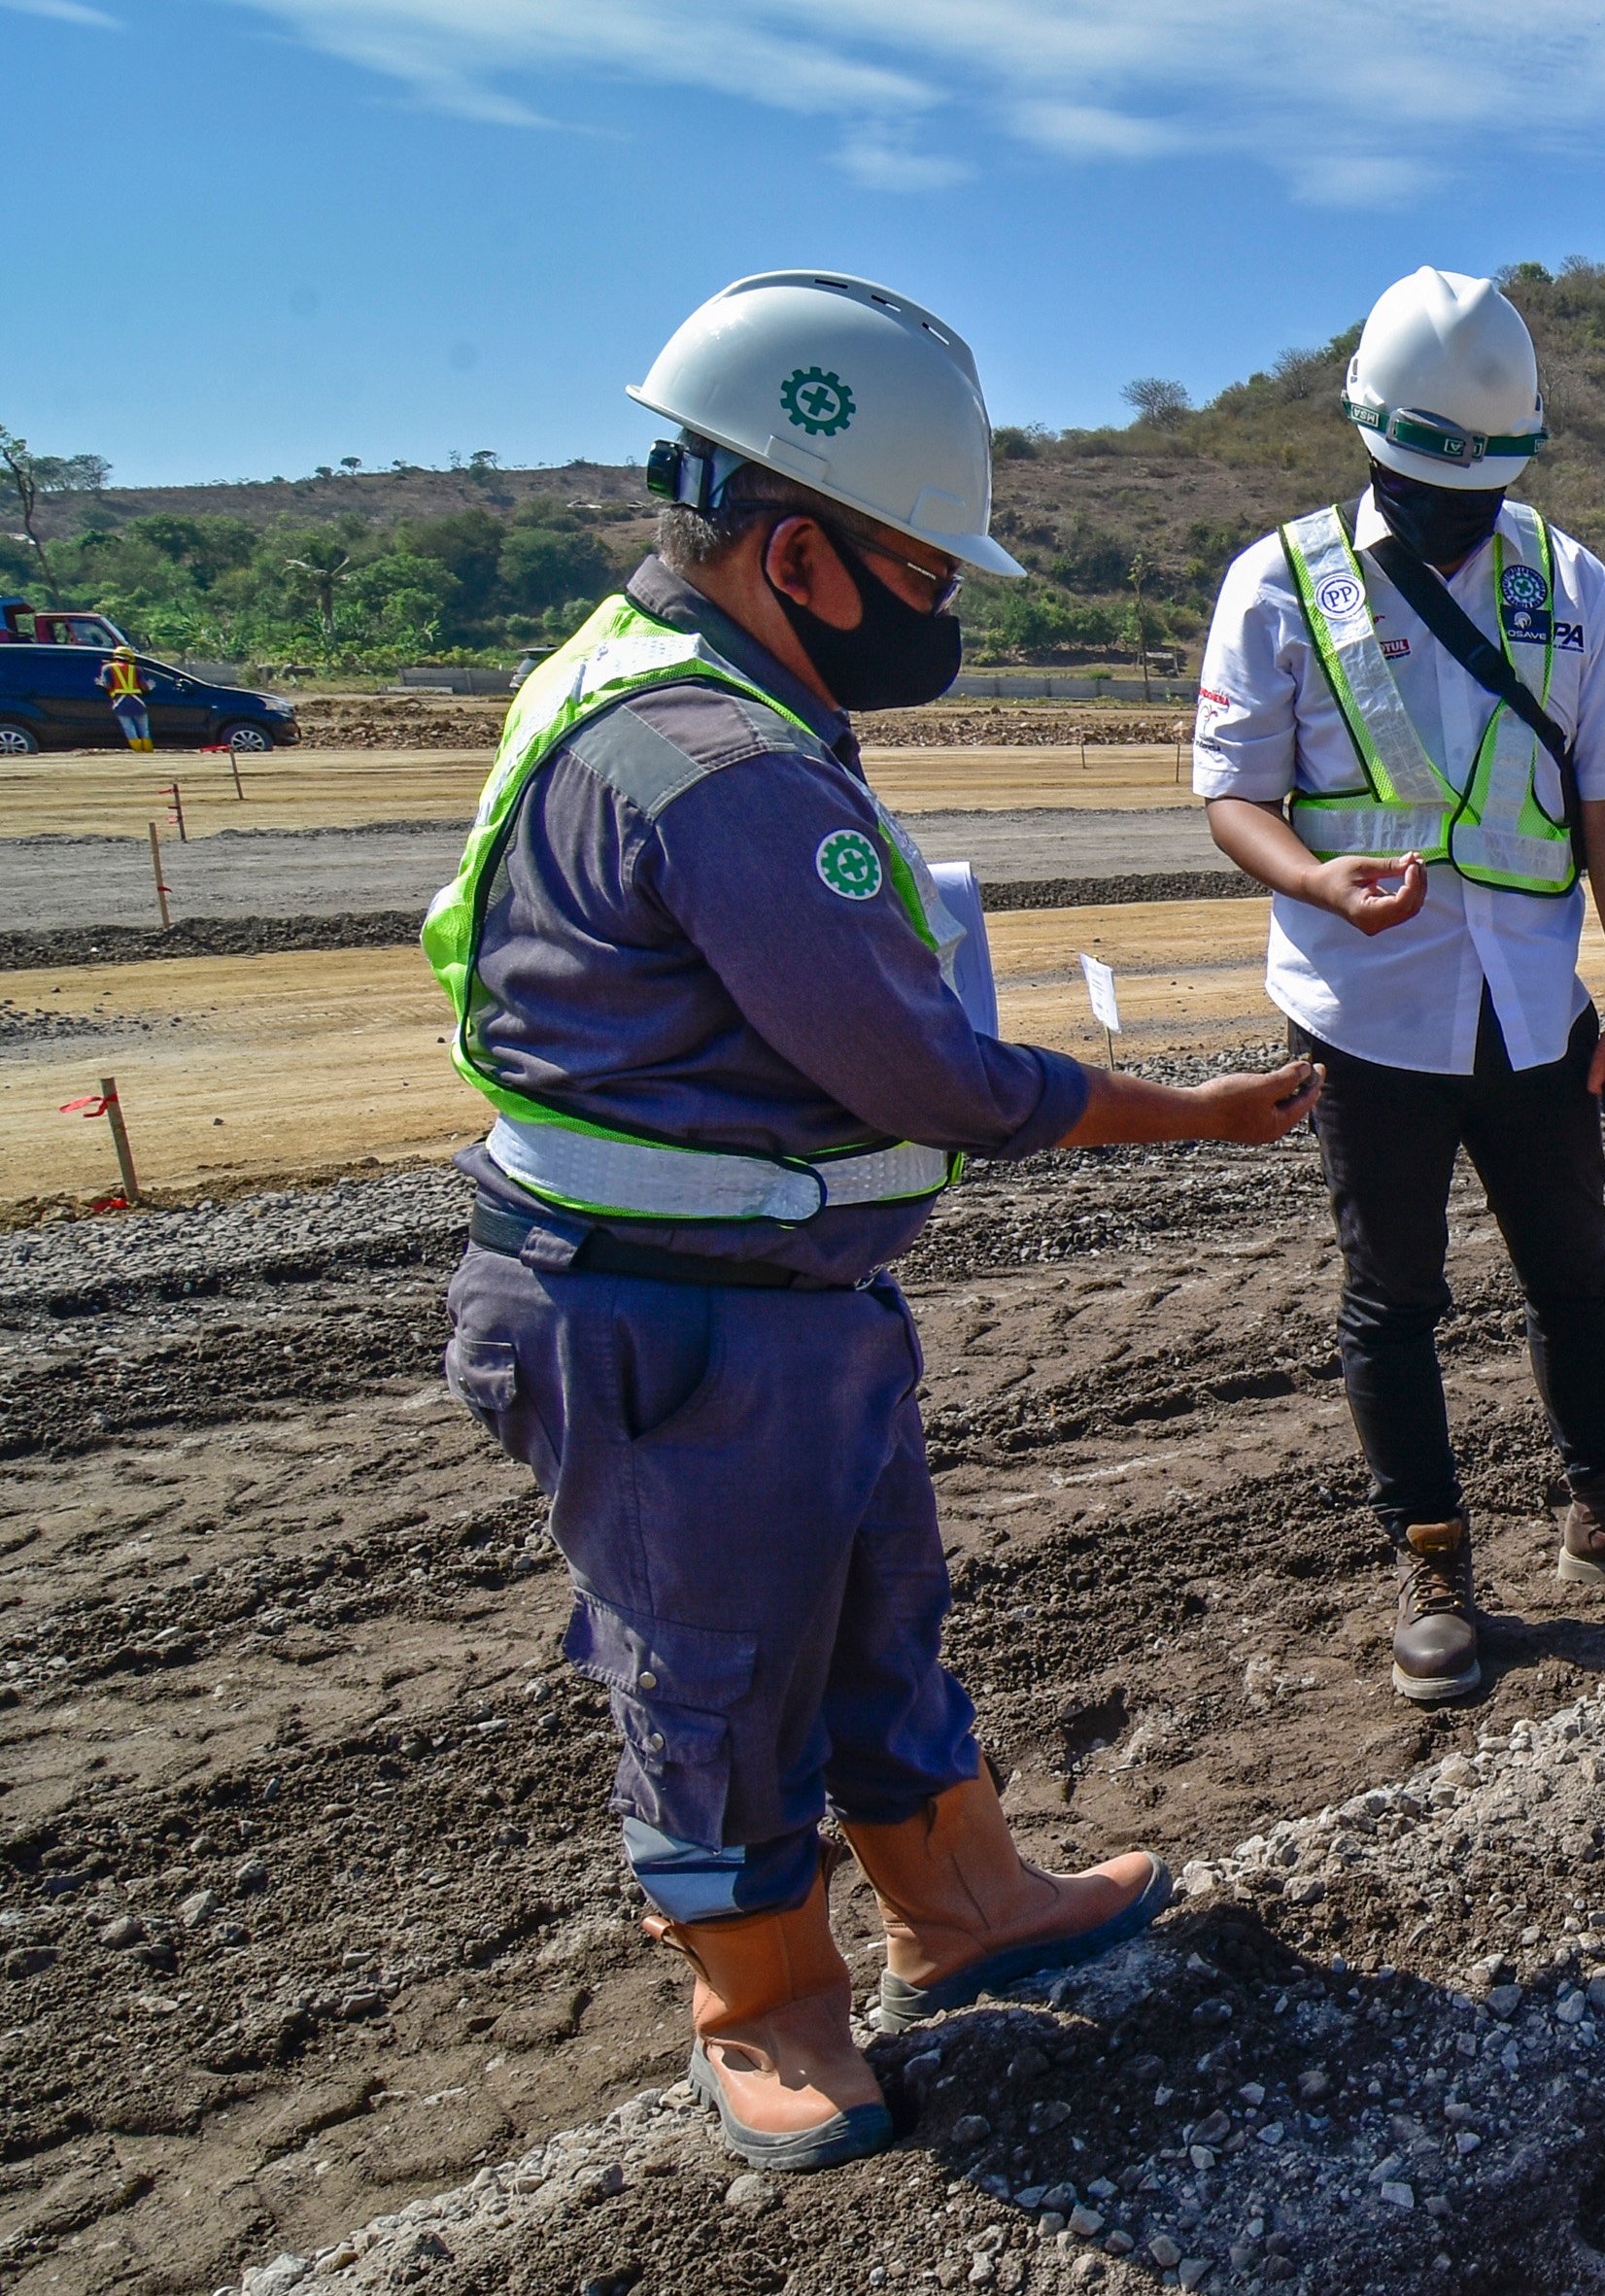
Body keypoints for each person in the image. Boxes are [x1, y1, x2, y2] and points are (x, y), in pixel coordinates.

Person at [431, 271, 1309, 2174]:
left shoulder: (679, 698)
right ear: (798, 555)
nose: (946, 601)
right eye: (924, 563)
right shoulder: (726, 774)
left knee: (874, 1622)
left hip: (778, 1297)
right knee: (718, 1667)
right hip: (672, 1322)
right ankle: (759, 2000)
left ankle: (962, 1898)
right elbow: (938, 1079)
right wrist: (1198, 1109)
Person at [1194, 265, 1605, 1709]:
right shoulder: (1280, 581)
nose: (1456, 511)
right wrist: (1315, 880)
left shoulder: (1568, 585)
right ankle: (1432, 1557)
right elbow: (1232, 795)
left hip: (1532, 1004)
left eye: (1484, 483)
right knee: (1395, 1296)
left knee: (1576, 1271)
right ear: (1369, 436)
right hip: (1364, 1011)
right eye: (1426, 481)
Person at [100, 644, 152, 751]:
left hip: (121, 704)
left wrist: (100, 684)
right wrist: (150, 687)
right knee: (144, 731)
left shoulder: (107, 669)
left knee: (129, 730)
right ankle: (148, 751)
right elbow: (144, 686)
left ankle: (138, 753)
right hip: (138, 703)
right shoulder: (137, 669)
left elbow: (107, 685)